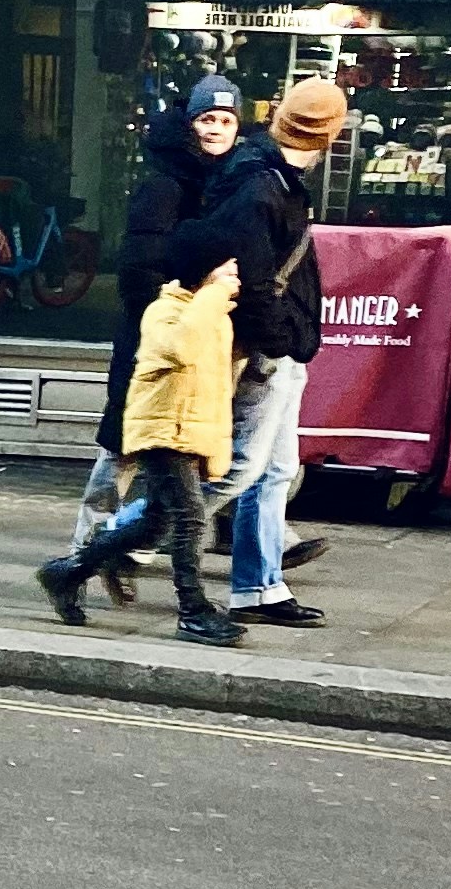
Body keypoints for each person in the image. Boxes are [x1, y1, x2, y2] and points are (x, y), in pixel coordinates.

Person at [66, 76, 239, 588]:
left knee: (179, 452)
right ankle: (85, 551)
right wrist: (169, 318)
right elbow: (139, 268)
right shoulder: (166, 183)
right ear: (190, 124)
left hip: (189, 334)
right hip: (154, 336)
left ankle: (116, 549)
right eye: (208, 119)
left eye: (226, 121)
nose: (216, 130)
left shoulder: (223, 181)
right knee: (121, 447)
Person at [42, 211, 243, 644]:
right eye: (227, 266)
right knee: (190, 519)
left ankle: (67, 572)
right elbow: (183, 348)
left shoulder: (212, 313)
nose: (235, 273)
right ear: (203, 271)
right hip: (162, 431)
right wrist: (212, 298)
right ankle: (193, 610)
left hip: (185, 430)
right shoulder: (166, 311)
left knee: (156, 523)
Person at [204, 76, 342, 630]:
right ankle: (114, 545)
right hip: (269, 348)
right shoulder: (263, 186)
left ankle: (259, 588)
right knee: (239, 470)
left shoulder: (277, 177)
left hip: (284, 346)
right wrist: (278, 344)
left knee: (275, 470)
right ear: (330, 134)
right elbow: (256, 280)